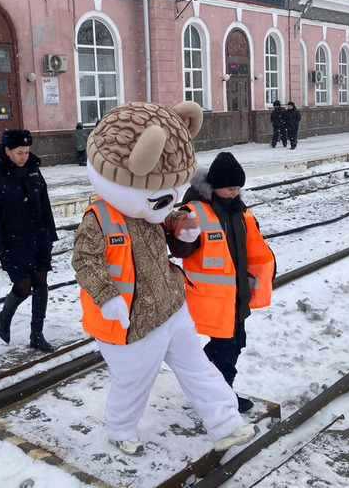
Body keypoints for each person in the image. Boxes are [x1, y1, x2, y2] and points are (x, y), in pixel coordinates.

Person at [72, 101, 256, 456]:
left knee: (198, 368)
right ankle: (119, 428)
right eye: (162, 198)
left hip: (170, 305)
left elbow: (164, 227)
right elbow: (84, 261)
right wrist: (108, 298)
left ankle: (225, 423)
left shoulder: (149, 208)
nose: (167, 204)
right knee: (134, 382)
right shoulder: (99, 219)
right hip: (128, 321)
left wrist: (183, 231)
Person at [165, 152, 275, 414]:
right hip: (212, 298)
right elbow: (180, 250)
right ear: (214, 187)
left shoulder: (239, 211)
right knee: (226, 348)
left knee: (234, 345)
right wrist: (186, 236)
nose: (235, 193)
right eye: (230, 188)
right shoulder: (193, 213)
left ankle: (208, 386)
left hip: (237, 294)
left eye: (238, 188)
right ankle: (220, 395)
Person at [0, 129, 58, 353]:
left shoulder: (33, 171)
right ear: (7, 150)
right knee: (23, 286)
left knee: (41, 281)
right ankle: (5, 316)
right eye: (19, 152)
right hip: (13, 242)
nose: (23, 157)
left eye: (26, 152)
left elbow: (45, 205)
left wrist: (50, 233)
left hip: (38, 236)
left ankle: (37, 334)